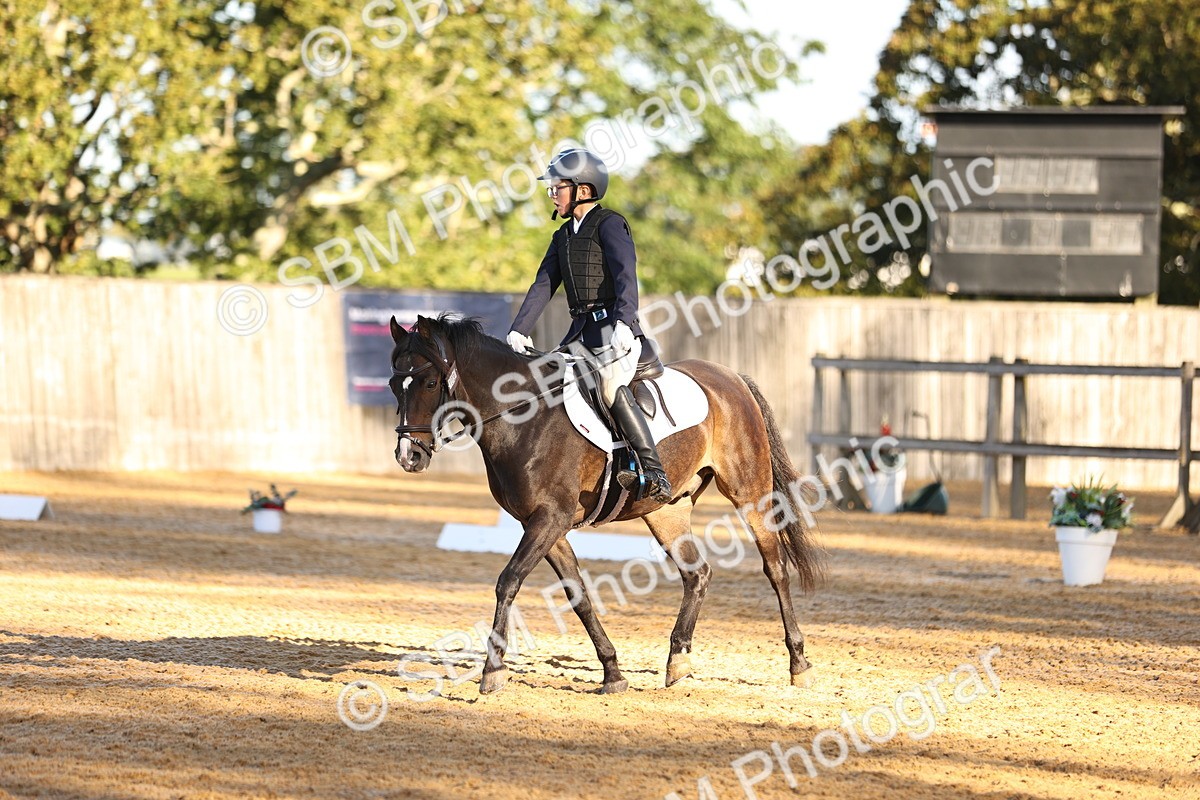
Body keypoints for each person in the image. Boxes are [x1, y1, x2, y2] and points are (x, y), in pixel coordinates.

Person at [506, 148, 672, 504]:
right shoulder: (562, 237)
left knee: (611, 386)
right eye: (550, 188)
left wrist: (625, 322)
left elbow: (626, 276)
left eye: (558, 187)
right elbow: (544, 285)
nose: (552, 194)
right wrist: (519, 329)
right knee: (546, 383)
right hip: (579, 336)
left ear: (583, 190)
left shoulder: (610, 223)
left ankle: (653, 469)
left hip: (616, 331)